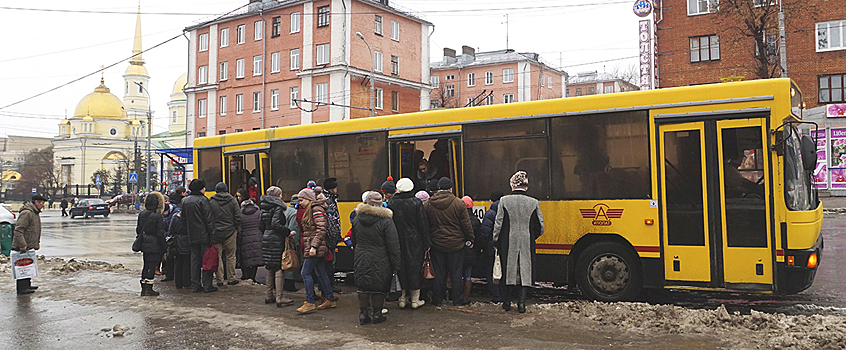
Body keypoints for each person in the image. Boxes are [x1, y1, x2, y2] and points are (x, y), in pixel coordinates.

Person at [493, 171, 545, 313]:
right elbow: (540, 226)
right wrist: (531, 236)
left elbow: (498, 223)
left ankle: (507, 303)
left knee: (508, 270)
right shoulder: (533, 202)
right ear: (526, 186)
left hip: (507, 241)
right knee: (524, 272)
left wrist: (496, 239)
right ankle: (521, 304)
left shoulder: (504, 201)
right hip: (526, 240)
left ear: (512, 185)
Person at [424, 177, 475, 306]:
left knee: (439, 273)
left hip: (437, 244)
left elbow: (426, 225)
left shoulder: (429, 204)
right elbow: (466, 225)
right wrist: (470, 238)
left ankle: (437, 299)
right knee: (456, 273)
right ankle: (457, 300)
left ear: (438, 189)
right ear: (451, 188)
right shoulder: (459, 203)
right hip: (456, 244)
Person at [352, 191, 401, 325]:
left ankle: (363, 314)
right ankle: (377, 314)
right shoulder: (386, 221)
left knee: (362, 286)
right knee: (379, 286)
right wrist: (396, 264)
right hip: (381, 257)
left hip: (361, 256)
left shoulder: (357, 219)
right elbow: (393, 244)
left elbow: (354, 240)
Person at [387, 178, 429, 309]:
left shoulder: (392, 202)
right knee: (414, 268)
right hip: (414, 241)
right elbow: (423, 224)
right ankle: (415, 300)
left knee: (400, 267)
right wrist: (427, 242)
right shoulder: (416, 202)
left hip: (397, 239)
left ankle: (402, 299)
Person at [295, 188, 336, 314]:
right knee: (321, 272)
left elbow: (321, 230)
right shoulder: (313, 209)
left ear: (308, 199)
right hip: (316, 247)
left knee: (305, 273)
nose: (300, 203)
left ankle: (309, 302)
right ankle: (330, 299)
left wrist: (313, 246)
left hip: (315, 248)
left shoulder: (315, 210)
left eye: (302, 200)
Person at [260, 186, 294, 307]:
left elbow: (261, 225)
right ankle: (280, 297)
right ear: (277, 196)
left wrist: (266, 233)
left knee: (269, 266)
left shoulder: (264, 207)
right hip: (276, 239)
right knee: (279, 267)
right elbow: (276, 224)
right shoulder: (277, 208)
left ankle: (269, 295)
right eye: (280, 194)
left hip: (266, 238)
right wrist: (286, 231)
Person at [183, 179, 217, 293]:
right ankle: (207, 285)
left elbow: (183, 219)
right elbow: (208, 219)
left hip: (192, 235)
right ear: (200, 189)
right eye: (203, 187)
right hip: (204, 235)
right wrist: (212, 234)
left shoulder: (185, 201)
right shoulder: (203, 200)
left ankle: (196, 285)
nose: (205, 189)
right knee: (207, 260)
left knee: (194, 260)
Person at [12, 194, 46, 295]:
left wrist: (36, 243)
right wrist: (22, 244)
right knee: (22, 267)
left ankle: (27, 285)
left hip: (29, 244)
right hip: (22, 245)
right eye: (42, 203)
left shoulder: (34, 212)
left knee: (27, 265)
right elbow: (18, 230)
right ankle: (22, 288)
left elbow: (34, 230)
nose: (43, 205)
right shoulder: (27, 213)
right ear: (36, 202)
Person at [209, 182, 242, 287]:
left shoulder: (212, 201)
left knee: (217, 256)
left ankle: (219, 279)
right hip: (230, 231)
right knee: (231, 256)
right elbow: (238, 216)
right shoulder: (232, 200)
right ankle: (231, 278)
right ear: (226, 190)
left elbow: (208, 217)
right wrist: (235, 227)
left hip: (216, 233)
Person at [135, 192, 167, 296]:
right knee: (152, 265)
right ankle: (149, 288)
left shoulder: (142, 214)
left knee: (145, 265)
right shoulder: (158, 216)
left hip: (144, 243)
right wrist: (164, 246)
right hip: (154, 244)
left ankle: (143, 288)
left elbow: (138, 229)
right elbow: (160, 233)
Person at [479, 190, 504, 303]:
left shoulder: (490, 213)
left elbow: (485, 232)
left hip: (492, 248)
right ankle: (504, 296)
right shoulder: (506, 210)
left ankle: (496, 297)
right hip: (505, 247)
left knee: (492, 273)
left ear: (491, 201)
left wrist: (483, 246)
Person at [322, 178, 342, 293]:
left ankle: (326, 286)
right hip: (330, 238)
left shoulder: (328, 199)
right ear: (333, 188)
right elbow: (332, 221)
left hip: (329, 237)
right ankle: (328, 287)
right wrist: (335, 237)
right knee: (330, 263)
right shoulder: (329, 201)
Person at [461, 195, 482, 303]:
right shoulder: (476, 220)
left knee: (456, 274)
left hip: (459, 251)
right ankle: (466, 297)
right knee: (468, 275)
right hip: (471, 253)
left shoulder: (458, 220)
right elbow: (479, 238)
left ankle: (455, 296)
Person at [239, 196, 262, 283]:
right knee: (255, 257)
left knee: (245, 257)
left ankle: (246, 276)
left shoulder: (240, 214)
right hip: (257, 237)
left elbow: (240, 227)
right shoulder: (258, 212)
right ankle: (253, 277)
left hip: (245, 238)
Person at [168, 205, 191, 289]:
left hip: (177, 241)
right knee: (187, 262)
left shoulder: (175, 216)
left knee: (178, 262)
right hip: (188, 240)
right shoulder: (191, 216)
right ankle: (187, 282)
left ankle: (178, 283)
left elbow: (170, 230)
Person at [282, 193, 301, 292]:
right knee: (291, 261)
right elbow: (294, 230)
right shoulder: (294, 213)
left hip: (283, 240)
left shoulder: (287, 210)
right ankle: (289, 283)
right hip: (290, 241)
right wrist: (296, 244)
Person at [161, 202, 180, 283]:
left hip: (176, 238)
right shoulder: (168, 215)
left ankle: (175, 276)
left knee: (176, 257)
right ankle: (169, 275)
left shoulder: (176, 213)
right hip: (169, 238)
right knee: (169, 257)